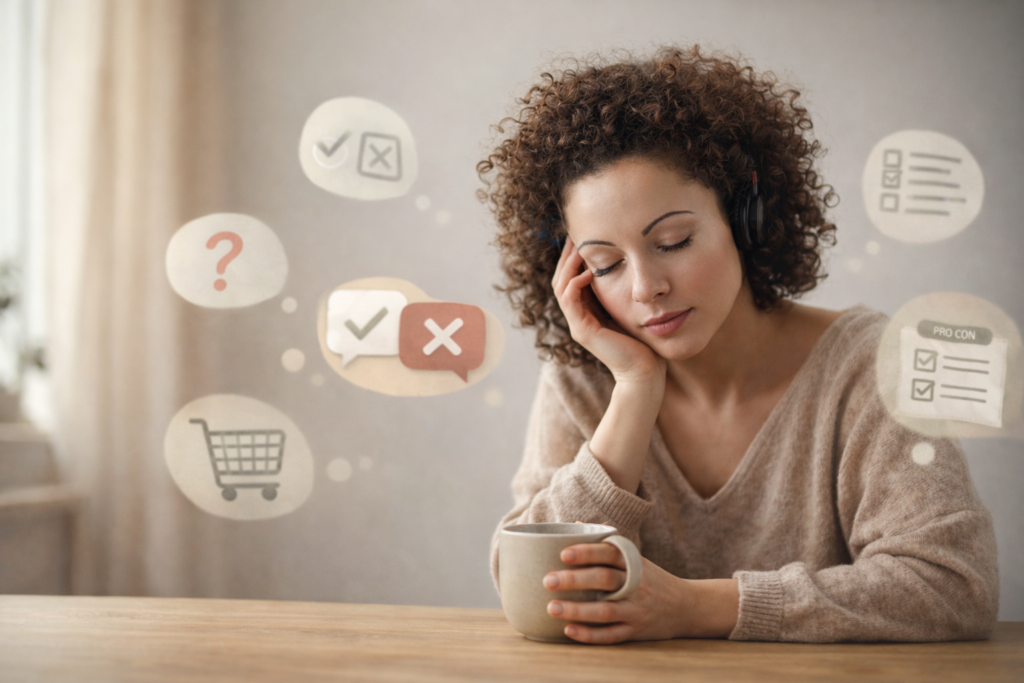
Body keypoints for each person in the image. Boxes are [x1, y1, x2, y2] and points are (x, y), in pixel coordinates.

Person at [476, 45, 998, 644]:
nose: (647, 288)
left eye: (673, 241)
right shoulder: (585, 378)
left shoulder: (872, 365)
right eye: (606, 263)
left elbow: (955, 588)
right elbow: (532, 593)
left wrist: (699, 606)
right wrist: (636, 391)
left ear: (745, 216)